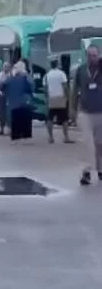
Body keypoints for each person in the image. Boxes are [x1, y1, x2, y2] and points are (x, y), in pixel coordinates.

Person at [72, 46, 102, 185]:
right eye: (90, 55)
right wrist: (72, 109)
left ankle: (100, 169)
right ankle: (86, 172)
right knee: (87, 144)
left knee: (99, 143)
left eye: (95, 55)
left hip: (100, 112)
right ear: (86, 56)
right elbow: (74, 89)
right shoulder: (81, 70)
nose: (92, 58)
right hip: (85, 112)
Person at [3, 60, 34, 142]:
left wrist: (7, 93)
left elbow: (2, 86)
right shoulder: (26, 78)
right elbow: (32, 88)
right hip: (25, 102)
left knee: (15, 120)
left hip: (13, 103)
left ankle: (16, 136)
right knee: (26, 121)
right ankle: (26, 136)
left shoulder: (11, 79)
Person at [43, 58, 71, 144]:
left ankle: (50, 137)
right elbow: (65, 86)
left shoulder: (47, 75)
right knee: (64, 119)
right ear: (58, 64)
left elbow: (45, 88)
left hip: (52, 98)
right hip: (61, 97)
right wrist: (68, 96)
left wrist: (47, 98)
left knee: (50, 118)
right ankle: (66, 137)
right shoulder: (61, 74)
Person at [0, 62, 11, 136]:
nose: (6, 68)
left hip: (10, 96)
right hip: (1, 96)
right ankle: (1, 129)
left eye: (8, 66)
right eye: (5, 66)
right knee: (2, 113)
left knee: (9, 113)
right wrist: (0, 92)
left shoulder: (12, 75)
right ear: (3, 67)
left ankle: (10, 129)